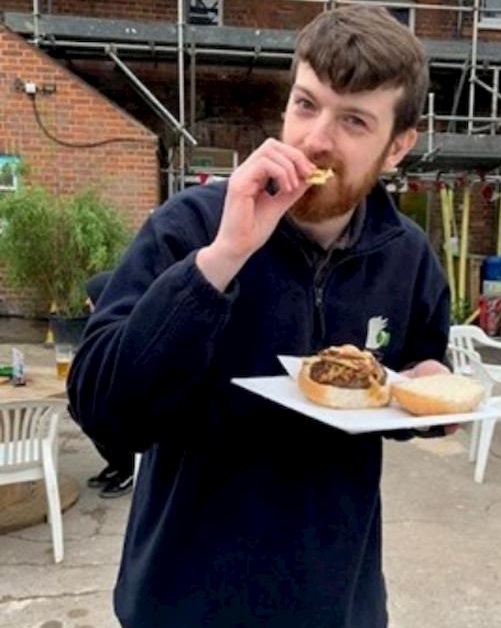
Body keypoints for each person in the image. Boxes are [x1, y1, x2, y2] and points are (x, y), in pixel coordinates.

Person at [68, 6, 453, 627]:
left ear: (398, 147)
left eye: (354, 120)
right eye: (306, 104)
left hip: (338, 603)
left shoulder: (407, 256)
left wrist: (433, 400)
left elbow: (413, 387)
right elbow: (104, 411)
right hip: (184, 601)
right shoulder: (189, 225)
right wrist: (222, 259)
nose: (316, 138)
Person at [83, 270, 135, 498]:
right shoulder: (97, 328)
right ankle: (116, 463)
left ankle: (129, 469)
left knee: (102, 413)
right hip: (111, 397)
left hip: (128, 404)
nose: (86, 302)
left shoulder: (122, 332)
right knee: (82, 411)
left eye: (91, 297)